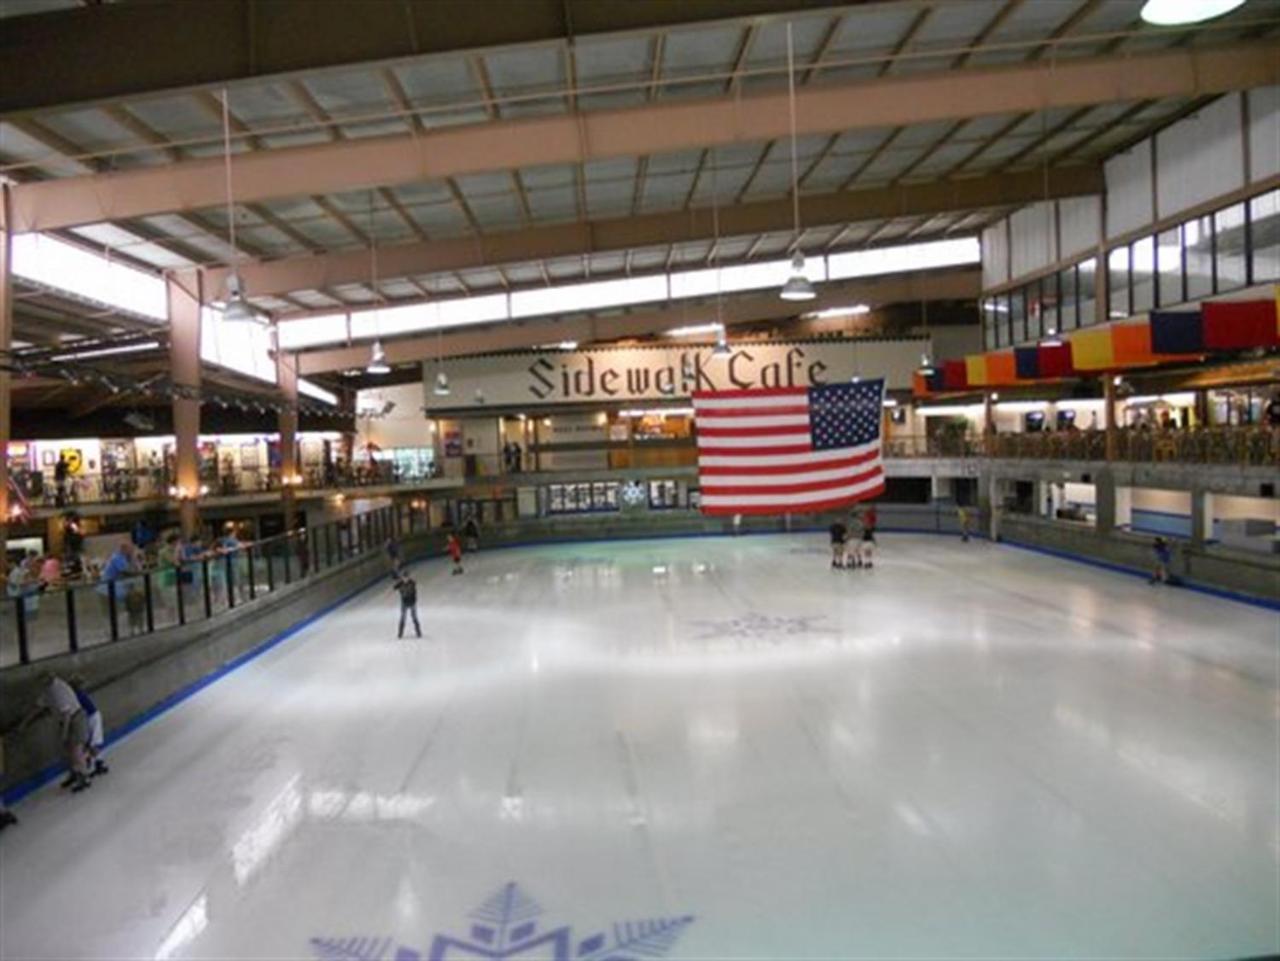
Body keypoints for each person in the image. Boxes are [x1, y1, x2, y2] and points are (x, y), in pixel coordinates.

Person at [21, 672, 92, 793]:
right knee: (69, 751)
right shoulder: (47, 689)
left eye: (41, 681)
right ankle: (74, 773)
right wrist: (24, 722)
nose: (39, 685)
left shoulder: (58, 690)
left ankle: (84, 777)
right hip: (66, 720)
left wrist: (64, 733)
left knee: (76, 750)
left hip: (75, 719)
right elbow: (38, 706)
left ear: (48, 679)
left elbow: (66, 715)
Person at [68, 675, 109, 778]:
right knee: (94, 742)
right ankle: (94, 762)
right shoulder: (79, 695)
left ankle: (95, 761)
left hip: (90, 717)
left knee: (93, 742)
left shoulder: (77, 695)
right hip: (90, 717)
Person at [393, 572, 422, 639]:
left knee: (414, 616)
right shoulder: (400, 583)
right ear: (402, 578)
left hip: (412, 602)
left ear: (409, 577)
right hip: (404, 603)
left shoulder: (412, 583)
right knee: (403, 617)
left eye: (406, 577)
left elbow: (413, 591)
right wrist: (398, 583)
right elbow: (394, 588)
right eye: (404, 578)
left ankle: (418, 631)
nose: (405, 579)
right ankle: (400, 633)